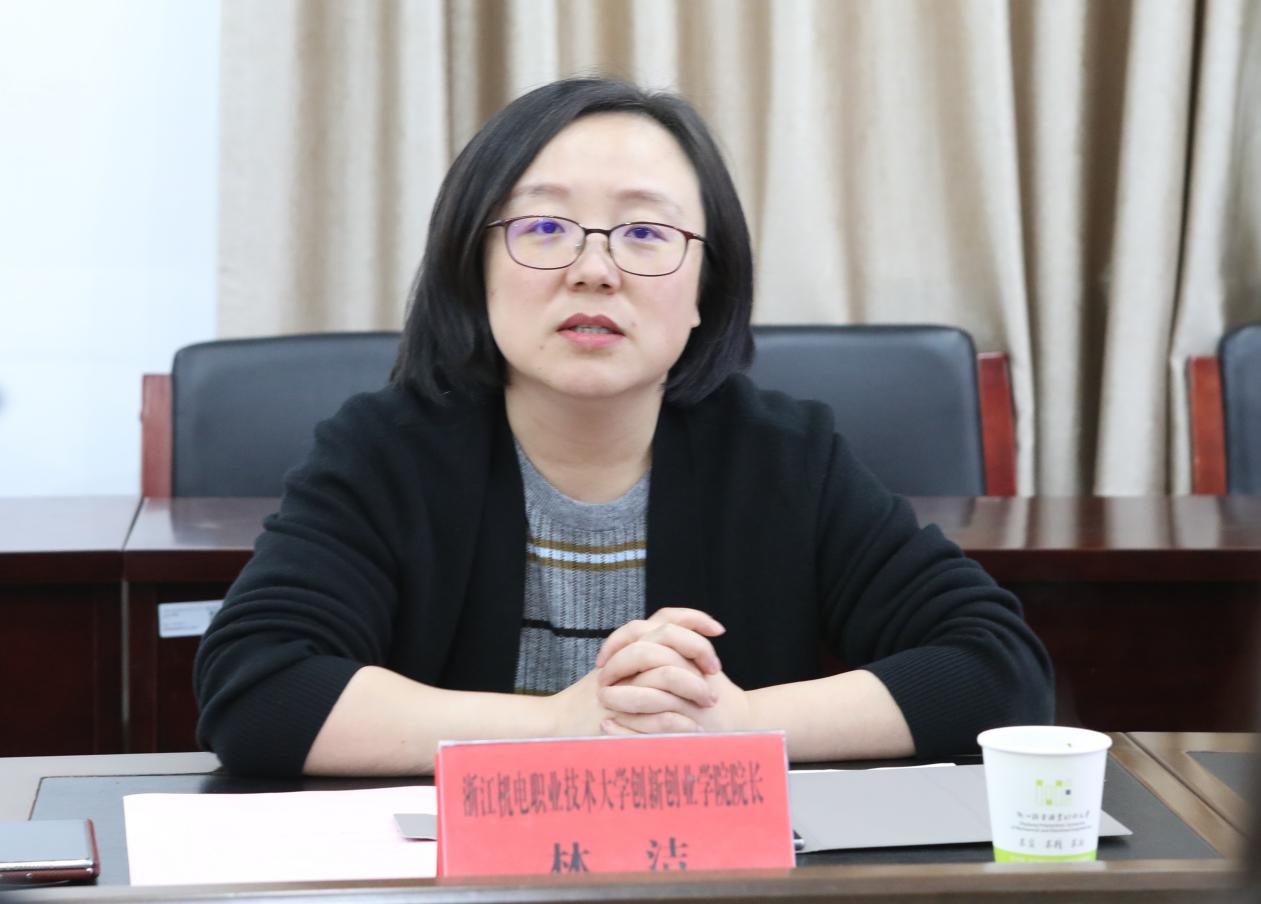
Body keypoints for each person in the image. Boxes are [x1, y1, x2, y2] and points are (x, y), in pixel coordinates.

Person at [194, 77, 1054, 777]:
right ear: (473, 269)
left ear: (706, 289)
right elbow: (258, 688)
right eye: (544, 227)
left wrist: (737, 725)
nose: (594, 269)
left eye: (645, 232)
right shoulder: (386, 452)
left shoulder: (783, 457)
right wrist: (563, 724)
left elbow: (996, 669)